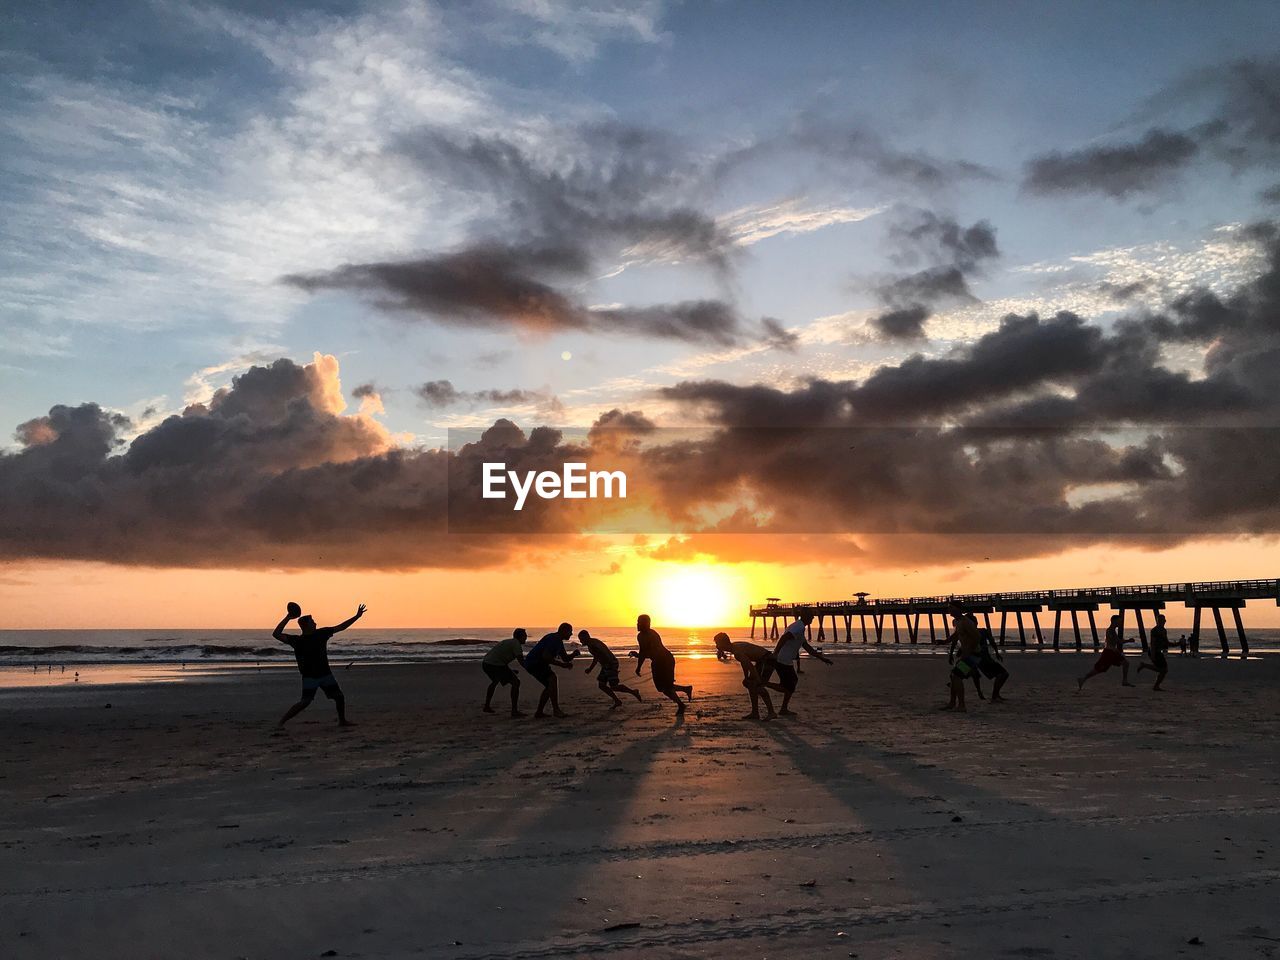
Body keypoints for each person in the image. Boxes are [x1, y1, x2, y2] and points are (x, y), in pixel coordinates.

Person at [272, 603, 365, 727]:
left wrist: (357, 616)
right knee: (305, 702)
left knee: (339, 697)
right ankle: (281, 722)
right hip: (310, 676)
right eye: (313, 622)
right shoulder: (297, 640)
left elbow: (341, 627)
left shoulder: (321, 633)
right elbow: (276, 634)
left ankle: (342, 721)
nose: (315, 624)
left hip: (325, 673)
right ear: (306, 626)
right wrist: (288, 617)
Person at [767, 612, 832, 717]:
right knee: (789, 686)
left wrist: (822, 659)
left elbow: (807, 647)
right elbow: (784, 638)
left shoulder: (799, 627)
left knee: (790, 684)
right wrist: (775, 653)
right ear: (806, 617)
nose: (812, 619)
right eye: (811, 617)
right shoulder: (799, 626)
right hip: (782, 659)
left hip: (785, 660)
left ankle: (783, 707)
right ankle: (765, 684)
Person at [634, 614, 693, 712]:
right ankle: (686, 690)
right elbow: (643, 652)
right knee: (661, 688)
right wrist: (638, 666)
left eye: (639, 622)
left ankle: (681, 705)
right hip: (656, 662)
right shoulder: (640, 636)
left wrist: (640, 657)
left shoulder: (652, 635)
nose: (637, 624)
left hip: (665, 660)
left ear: (646, 624)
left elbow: (653, 653)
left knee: (666, 687)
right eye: (637, 622)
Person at [714, 632, 777, 720]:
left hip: (768, 659)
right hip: (761, 660)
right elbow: (745, 663)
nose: (716, 646)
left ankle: (771, 712)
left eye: (717, 643)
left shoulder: (737, 651)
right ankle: (755, 713)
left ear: (723, 644)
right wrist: (747, 677)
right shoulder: (734, 646)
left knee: (758, 686)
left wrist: (757, 679)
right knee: (751, 684)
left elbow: (750, 666)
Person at [524, 622, 577, 718]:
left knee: (550, 685)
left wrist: (574, 654)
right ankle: (556, 710)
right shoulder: (553, 639)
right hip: (534, 663)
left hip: (538, 664)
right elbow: (546, 656)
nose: (571, 634)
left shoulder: (558, 641)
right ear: (564, 631)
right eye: (570, 631)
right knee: (552, 680)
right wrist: (562, 665)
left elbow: (565, 658)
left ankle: (540, 712)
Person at [580, 630, 642, 708]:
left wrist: (591, 668)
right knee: (602, 685)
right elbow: (598, 656)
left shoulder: (592, 645)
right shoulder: (593, 642)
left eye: (581, 639)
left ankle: (633, 692)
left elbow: (598, 656)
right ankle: (617, 701)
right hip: (606, 665)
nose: (580, 641)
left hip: (610, 664)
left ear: (586, 637)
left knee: (614, 686)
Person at [1077, 614, 1135, 691]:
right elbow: (1115, 642)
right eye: (1119, 621)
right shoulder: (1110, 630)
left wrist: (1127, 641)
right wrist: (1127, 641)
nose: (1120, 623)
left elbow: (1117, 641)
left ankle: (1124, 681)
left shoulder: (1113, 630)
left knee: (1126, 663)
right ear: (1114, 621)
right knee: (1099, 669)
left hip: (1112, 652)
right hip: (1109, 653)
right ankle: (1083, 679)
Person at [943, 602, 982, 712]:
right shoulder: (957, 621)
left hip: (973, 655)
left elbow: (977, 637)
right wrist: (945, 641)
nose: (949, 610)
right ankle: (952, 703)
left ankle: (961, 706)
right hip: (968, 655)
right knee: (953, 676)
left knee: (956, 676)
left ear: (958, 609)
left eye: (951, 607)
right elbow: (956, 635)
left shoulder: (966, 621)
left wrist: (969, 651)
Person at [482, 628, 528, 716]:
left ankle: (487, 706)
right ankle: (514, 711)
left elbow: (500, 657)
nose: (526, 637)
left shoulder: (510, 642)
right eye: (525, 636)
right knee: (516, 682)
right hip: (495, 664)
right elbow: (521, 661)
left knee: (495, 681)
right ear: (520, 637)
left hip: (487, 663)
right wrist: (532, 668)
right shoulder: (516, 644)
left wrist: (509, 670)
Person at [1137, 613, 1170, 691]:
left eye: (1163, 620)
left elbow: (1166, 642)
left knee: (1163, 670)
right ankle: (1156, 686)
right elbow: (1153, 643)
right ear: (1157, 621)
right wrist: (1152, 654)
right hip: (1154, 651)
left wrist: (1177, 644)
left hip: (1159, 652)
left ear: (1165, 621)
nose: (1162, 622)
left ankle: (1144, 666)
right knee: (1163, 670)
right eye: (1160, 620)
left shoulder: (1164, 630)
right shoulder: (1154, 630)